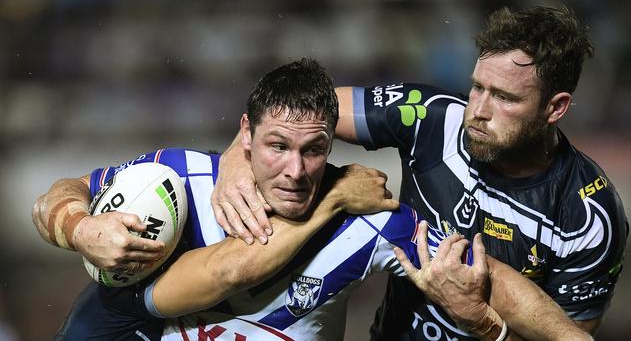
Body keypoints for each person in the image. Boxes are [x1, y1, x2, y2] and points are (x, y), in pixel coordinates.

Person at [33, 58, 591, 341]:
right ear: (245, 136)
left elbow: (490, 276)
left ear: (332, 145)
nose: (295, 170)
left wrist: (570, 338)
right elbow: (61, 194)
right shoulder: (180, 178)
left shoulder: (369, 225)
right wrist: (81, 226)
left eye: (314, 150)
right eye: (276, 146)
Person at [212, 6, 629, 340]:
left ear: (555, 108)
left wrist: (482, 322)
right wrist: (235, 157)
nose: (478, 111)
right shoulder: (431, 116)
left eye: (504, 98)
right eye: (477, 87)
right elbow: (293, 113)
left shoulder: (589, 217)